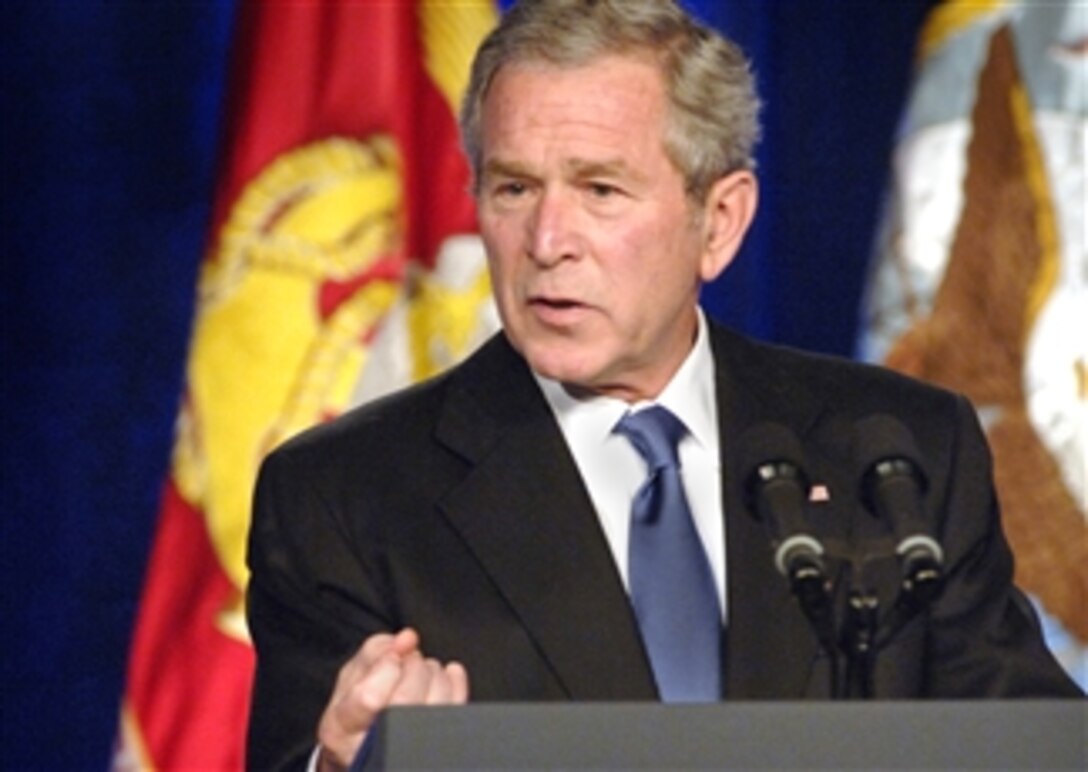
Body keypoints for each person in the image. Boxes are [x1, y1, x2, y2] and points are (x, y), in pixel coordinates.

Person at [245, 1, 1082, 769]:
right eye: (514, 188)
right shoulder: (345, 494)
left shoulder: (896, 452)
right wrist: (340, 763)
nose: (546, 240)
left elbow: (1029, 744)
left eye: (600, 190)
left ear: (718, 223)